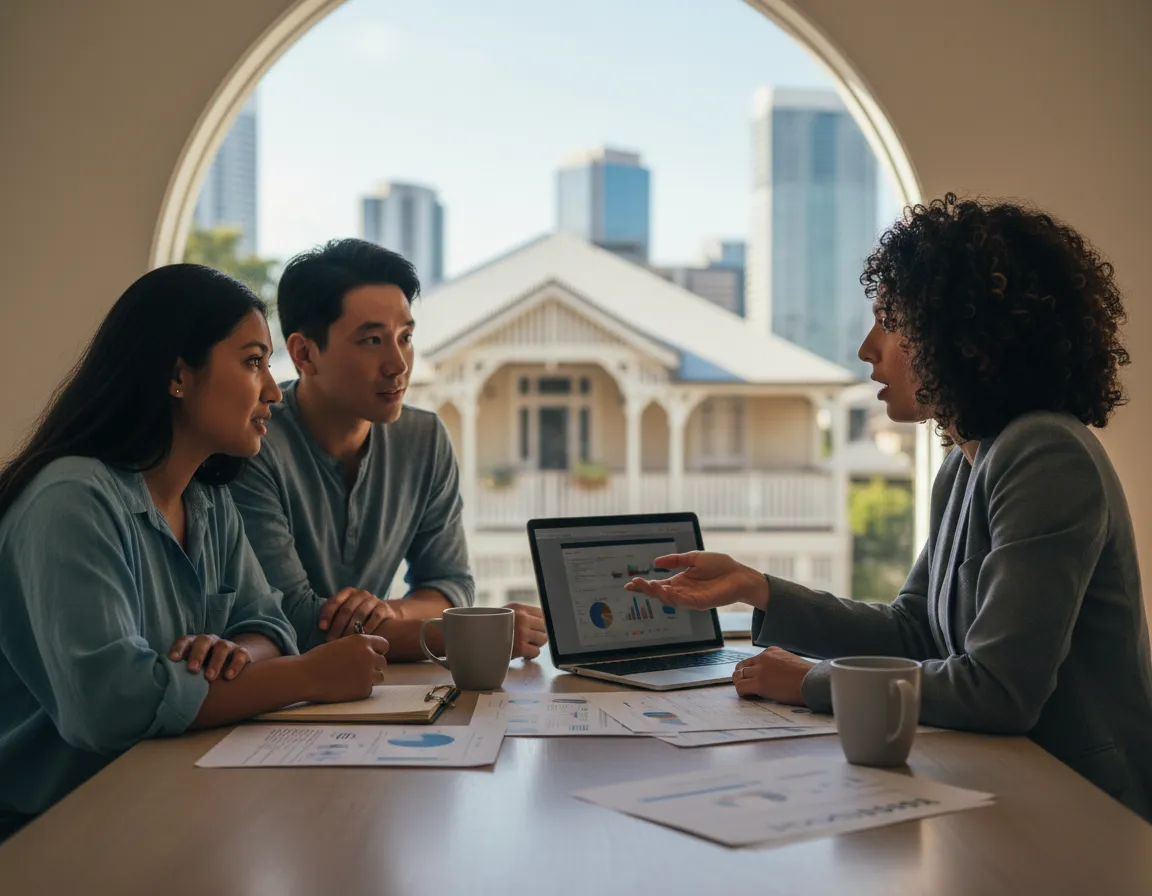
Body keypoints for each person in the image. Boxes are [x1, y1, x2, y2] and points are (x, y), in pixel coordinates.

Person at [627, 194, 1152, 819]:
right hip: (1001, 782)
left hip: (1082, 808)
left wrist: (809, 682)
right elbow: (915, 631)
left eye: (891, 321)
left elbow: (1000, 691)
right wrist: (757, 588)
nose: (867, 348)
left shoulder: (1044, 454)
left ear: (961, 333)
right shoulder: (967, 460)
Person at [0, 265, 390, 841]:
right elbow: (107, 707)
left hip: (154, 799)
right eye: (253, 361)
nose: (273, 390)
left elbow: (269, 624)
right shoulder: (72, 499)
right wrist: (305, 676)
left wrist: (232, 652)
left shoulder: (207, 500)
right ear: (178, 374)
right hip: (47, 828)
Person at [228, 239, 548, 659]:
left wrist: (386, 611)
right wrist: (469, 635)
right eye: (372, 341)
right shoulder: (254, 443)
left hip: (371, 688)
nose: (398, 364)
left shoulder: (424, 438)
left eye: (406, 336)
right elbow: (294, 622)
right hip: (273, 700)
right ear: (304, 354)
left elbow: (451, 586)